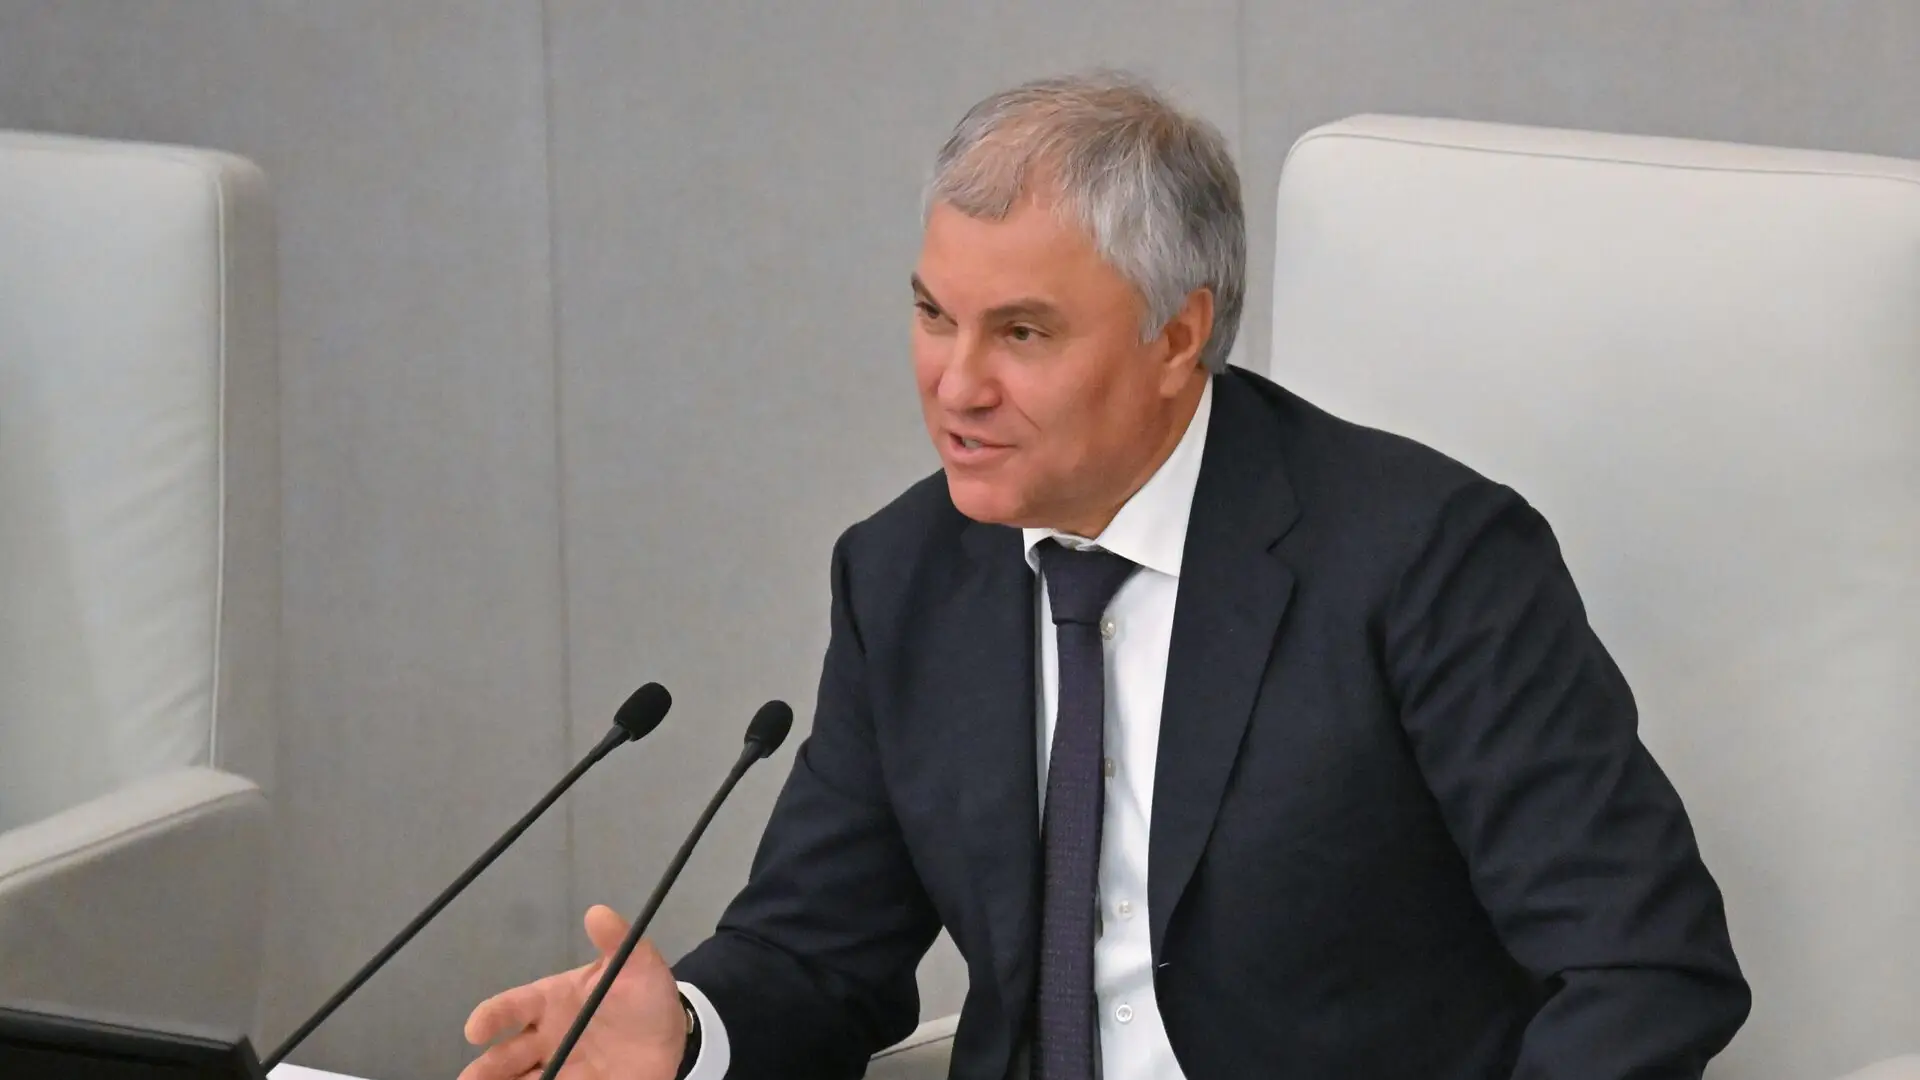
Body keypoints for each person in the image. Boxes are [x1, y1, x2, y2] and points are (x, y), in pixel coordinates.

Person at [459, 71, 1749, 1080]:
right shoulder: (904, 574)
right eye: (933, 315)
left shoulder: (1425, 561)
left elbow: (1643, 967)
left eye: (1021, 332)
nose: (956, 385)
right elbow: (818, 951)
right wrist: (690, 1033)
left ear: (1177, 336)